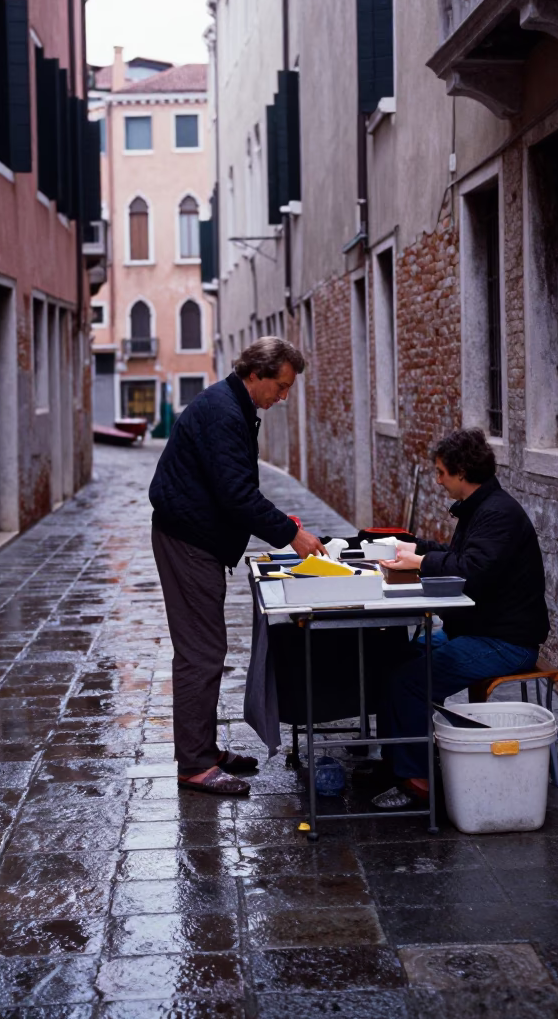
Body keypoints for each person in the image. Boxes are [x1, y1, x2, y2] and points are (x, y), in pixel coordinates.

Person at [149, 337, 326, 797]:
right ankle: (194, 764)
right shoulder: (226, 412)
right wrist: (293, 535)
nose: (284, 397)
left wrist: (281, 525)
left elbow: (233, 488)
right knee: (201, 653)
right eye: (281, 387)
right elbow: (237, 495)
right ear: (256, 375)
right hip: (188, 541)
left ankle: (202, 749)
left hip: (194, 535)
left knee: (206, 649)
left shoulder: (232, 404)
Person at [376, 427, 549, 803]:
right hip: (474, 630)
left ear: (461, 471)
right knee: (394, 660)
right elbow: (459, 556)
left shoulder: (498, 513)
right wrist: (415, 546)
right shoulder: (481, 508)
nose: (438, 480)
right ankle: (396, 761)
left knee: (409, 681)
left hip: (506, 641)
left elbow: (471, 571)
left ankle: (417, 782)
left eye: (441, 472)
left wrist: (420, 561)